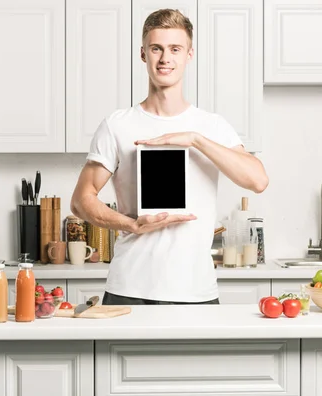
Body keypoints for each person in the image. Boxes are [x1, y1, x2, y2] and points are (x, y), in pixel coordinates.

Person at [70, 9, 268, 305]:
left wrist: (195, 139)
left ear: (189, 54)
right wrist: (131, 224)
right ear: (143, 54)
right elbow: (81, 200)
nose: (165, 58)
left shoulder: (211, 126)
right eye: (156, 48)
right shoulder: (117, 125)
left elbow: (258, 180)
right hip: (129, 288)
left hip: (195, 290)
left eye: (175, 49)